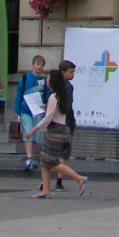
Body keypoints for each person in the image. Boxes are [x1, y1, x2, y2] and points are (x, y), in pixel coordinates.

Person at [22, 58, 88, 197]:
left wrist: (33, 131)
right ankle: (46, 191)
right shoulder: (60, 95)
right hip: (59, 130)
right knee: (44, 161)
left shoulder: (54, 96)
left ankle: (79, 178)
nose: (46, 80)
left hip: (55, 131)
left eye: (48, 78)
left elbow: (48, 118)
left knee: (51, 162)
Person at [15, 55, 51, 171]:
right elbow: (19, 94)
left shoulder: (45, 80)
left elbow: (47, 95)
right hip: (26, 109)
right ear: (33, 65)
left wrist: (46, 106)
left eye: (42, 65)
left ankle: (31, 155)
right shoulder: (26, 78)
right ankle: (29, 157)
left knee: (35, 133)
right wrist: (17, 111)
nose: (39, 67)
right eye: (37, 64)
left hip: (38, 111)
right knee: (27, 130)